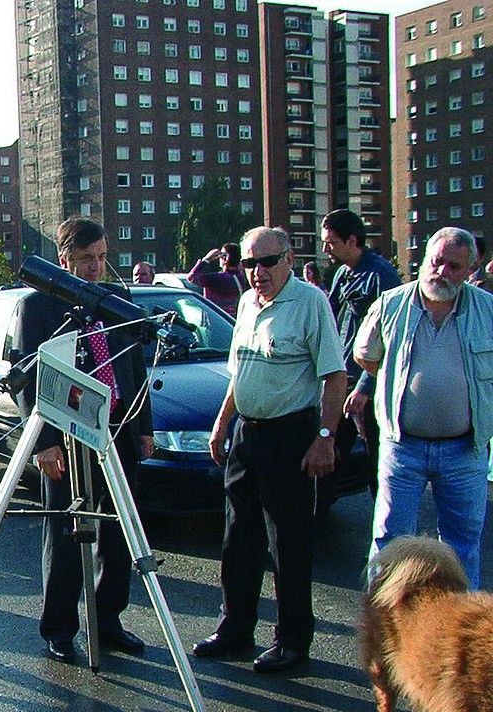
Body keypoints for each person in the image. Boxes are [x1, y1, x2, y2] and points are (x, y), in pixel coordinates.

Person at [195, 227, 346, 673]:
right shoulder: (244, 303)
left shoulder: (310, 303)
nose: (257, 272)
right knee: (237, 539)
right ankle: (235, 627)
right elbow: (238, 374)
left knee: (289, 543)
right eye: (248, 263)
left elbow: (334, 377)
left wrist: (325, 437)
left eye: (267, 262)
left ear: (289, 258)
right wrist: (222, 426)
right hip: (248, 433)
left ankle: (292, 640)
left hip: (291, 433)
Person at [18, 217, 153, 663]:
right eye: (85, 260)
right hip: (66, 437)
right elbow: (29, 378)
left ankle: (108, 621)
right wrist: (44, 444)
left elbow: (135, 367)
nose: (96, 267)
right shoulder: (39, 307)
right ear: (64, 260)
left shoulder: (120, 300)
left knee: (117, 537)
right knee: (64, 534)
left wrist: (144, 428)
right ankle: (59, 627)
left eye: (101, 257)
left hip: (117, 432)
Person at [354, 227, 493, 588]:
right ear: (423, 261)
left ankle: (457, 635)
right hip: (403, 446)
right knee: (389, 545)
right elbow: (365, 356)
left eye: (454, 266)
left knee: (463, 548)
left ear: (469, 270)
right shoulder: (390, 305)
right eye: (436, 262)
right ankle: (381, 632)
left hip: (465, 449)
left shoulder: (488, 311)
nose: (442, 272)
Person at [320, 208, 402, 502]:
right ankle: (320, 513)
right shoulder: (342, 274)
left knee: (377, 458)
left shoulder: (382, 276)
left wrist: (365, 388)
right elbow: (330, 320)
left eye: (330, 242)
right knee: (328, 449)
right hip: (340, 379)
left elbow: (391, 341)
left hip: (367, 386)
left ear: (352, 240)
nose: (325, 249)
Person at [187, 243, 247, 315]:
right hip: (230, 319)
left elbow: (191, 277)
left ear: (225, 257)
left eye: (221, 255)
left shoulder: (218, 278)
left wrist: (206, 260)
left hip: (214, 319)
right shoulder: (241, 278)